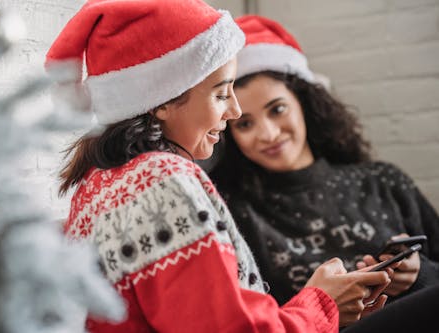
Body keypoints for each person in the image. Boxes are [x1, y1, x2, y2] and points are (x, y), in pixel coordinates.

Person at [46, 2, 392, 332]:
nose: (235, 111)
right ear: (162, 100)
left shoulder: (94, 184)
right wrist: (323, 303)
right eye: (221, 93)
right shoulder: (163, 181)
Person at [209, 14, 439, 317]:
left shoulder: (383, 181)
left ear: (305, 103)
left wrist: (419, 274)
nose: (268, 134)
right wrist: (320, 307)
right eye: (245, 124)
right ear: (228, 133)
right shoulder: (229, 209)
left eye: (277, 110)